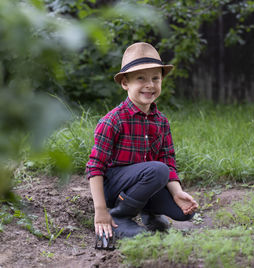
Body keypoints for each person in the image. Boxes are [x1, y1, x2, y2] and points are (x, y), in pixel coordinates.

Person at [85, 42, 198, 239]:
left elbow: (167, 160)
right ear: (125, 83)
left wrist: (177, 192)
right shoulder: (113, 121)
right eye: (140, 79)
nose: (150, 85)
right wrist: (100, 209)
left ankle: (151, 214)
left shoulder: (161, 121)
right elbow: (95, 167)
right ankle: (119, 217)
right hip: (114, 187)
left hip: (146, 180)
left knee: (185, 212)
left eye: (156, 78)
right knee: (157, 170)